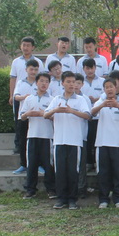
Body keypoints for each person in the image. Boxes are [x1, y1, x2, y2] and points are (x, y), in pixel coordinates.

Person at [44, 72, 91, 210]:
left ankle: (72, 199)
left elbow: (87, 115)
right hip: (59, 140)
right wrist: (56, 110)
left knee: (73, 171)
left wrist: (72, 111)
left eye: (73, 82)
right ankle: (61, 198)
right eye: (68, 82)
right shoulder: (56, 99)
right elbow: (46, 114)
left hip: (75, 141)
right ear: (62, 83)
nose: (71, 85)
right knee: (60, 171)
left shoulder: (80, 100)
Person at [91, 78, 119, 208]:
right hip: (102, 142)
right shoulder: (100, 101)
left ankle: (118, 198)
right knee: (103, 172)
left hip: (118, 143)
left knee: (118, 172)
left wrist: (118, 106)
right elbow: (91, 114)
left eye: (111, 87)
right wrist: (102, 105)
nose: (109, 89)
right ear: (104, 89)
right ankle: (103, 199)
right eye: (107, 87)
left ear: (116, 88)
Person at [19, 72, 56, 199]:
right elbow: (22, 117)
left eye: (46, 81)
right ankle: (30, 189)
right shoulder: (29, 99)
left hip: (47, 136)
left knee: (48, 164)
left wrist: (44, 114)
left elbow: (55, 118)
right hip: (32, 136)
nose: (44, 84)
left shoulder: (52, 100)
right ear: (36, 83)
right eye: (41, 81)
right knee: (32, 164)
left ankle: (51, 189)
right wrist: (28, 113)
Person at [9, 37, 44, 154]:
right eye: (23, 45)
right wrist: (11, 95)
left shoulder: (38, 62)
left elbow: (43, 79)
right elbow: (13, 78)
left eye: (28, 45)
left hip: (35, 96)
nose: (25, 48)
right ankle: (18, 146)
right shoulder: (16, 62)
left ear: (33, 47)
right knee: (19, 121)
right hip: (20, 96)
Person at [12, 59, 40, 174]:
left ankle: (38, 165)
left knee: (37, 142)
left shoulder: (40, 82)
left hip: (37, 117)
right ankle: (23, 164)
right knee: (23, 141)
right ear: (26, 70)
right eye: (31, 69)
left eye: (36, 70)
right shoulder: (21, 82)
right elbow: (16, 97)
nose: (33, 72)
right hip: (23, 116)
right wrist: (24, 97)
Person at [80, 58, 105, 173]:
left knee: (97, 139)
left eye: (92, 68)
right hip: (85, 116)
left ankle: (97, 162)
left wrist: (96, 99)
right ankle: (89, 162)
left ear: (95, 68)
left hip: (99, 117)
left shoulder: (102, 81)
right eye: (87, 68)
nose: (90, 71)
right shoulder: (81, 82)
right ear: (83, 69)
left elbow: (105, 96)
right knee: (88, 140)